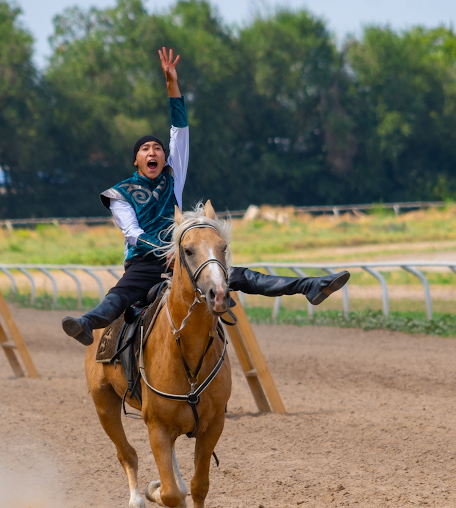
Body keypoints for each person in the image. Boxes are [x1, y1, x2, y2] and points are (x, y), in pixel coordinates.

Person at [62, 47, 350, 346]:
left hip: (188, 254)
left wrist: (172, 84)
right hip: (146, 263)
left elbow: (180, 130)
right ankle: (86, 323)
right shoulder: (119, 193)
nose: (153, 152)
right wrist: (166, 250)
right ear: (135, 159)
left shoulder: (174, 176)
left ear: (164, 157)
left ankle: (311, 286)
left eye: (157, 148)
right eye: (145, 149)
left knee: (241, 276)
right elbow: (133, 234)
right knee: (120, 295)